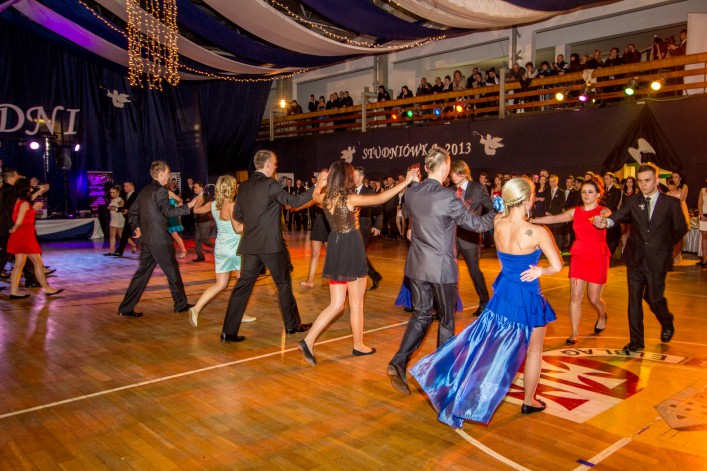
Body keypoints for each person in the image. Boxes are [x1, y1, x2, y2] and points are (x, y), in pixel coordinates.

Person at [409, 177, 562, 427]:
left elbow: (495, 220)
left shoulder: (498, 222)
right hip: (527, 297)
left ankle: (460, 385)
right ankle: (529, 400)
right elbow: (557, 266)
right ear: (527, 200)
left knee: (488, 346)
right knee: (534, 350)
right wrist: (540, 271)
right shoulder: (537, 232)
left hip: (503, 293)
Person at [385, 147, 496, 396]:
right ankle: (441, 377)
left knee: (421, 316)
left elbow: (414, 220)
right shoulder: (448, 197)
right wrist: (497, 211)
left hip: (417, 266)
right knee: (446, 320)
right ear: (446, 169)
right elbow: (477, 224)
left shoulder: (412, 193)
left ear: (426, 168)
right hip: (442, 268)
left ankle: (399, 362)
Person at [297, 163, 419, 365]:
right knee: (356, 303)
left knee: (336, 304)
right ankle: (358, 345)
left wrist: (319, 182)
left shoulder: (325, 198)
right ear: (346, 177)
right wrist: (406, 181)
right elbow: (380, 198)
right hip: (352, 248)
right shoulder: (350, 199)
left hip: (336, 247)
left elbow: (315, 194)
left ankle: (309, 341)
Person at [220, 150, 326, 343]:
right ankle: (292, 325)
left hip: (250, 245)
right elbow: (294, 202)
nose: (276, 167)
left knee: (242, 287)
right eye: (275, 163)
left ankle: (228, 331)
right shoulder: (270, 184)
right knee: (283, 284)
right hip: (270, 245)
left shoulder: (244, 187)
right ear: (268, 165)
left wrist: (254, 223)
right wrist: (317, 185)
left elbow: (238, 215)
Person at [593, 163, 688, 353]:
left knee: (654, 298)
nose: (643, 185)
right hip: (635, 257)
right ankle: (636, 341)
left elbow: (681, 228)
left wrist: (664, 245)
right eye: (640, 181)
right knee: (634, 300)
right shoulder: (633, 201)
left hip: (658, 259)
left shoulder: (671, 203)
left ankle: (667, 320)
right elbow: (619, 215)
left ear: (657, 180)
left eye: (647, 180)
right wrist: (605, 222)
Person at [532, 177, 610, 344]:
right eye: (584, 192)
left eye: (590, 192)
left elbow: (607, 216)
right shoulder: (576, 212)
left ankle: (602, 315)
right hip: (579, 256)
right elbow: (554, 219)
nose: (586, 195)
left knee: (594, 298)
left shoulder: (603, 211)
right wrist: (532, 220)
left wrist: (603, 220)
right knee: (575, 296)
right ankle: (574, 332)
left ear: (598, 194)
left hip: (598, 257)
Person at [117, 161, 198, 317]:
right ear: (161, 174)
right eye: (167, 174)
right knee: (173, 273)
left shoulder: (144, 190)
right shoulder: (160, 190)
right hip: (160, 240)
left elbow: (132, 212)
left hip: (147, 240)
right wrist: (189, 206)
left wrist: (136, 227)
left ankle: (125, 308)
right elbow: (168, 211)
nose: (168, 177)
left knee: (141, 275)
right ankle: (181, 305)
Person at [188, 175, 255, 326]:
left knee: (220, 284)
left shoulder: (212, 205)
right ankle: (239, 314)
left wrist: (198, 198)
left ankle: (196, 308)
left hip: (220, 249)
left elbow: (196, 210)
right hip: (235, 249)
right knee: (242, 283)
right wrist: (253, 221)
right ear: (232, 189)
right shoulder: (232, 206)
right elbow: (238, 229)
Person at [5, 178, 63, 299]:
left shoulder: (19, 201)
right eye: (30, 187)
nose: (31, 189)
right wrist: (34, 209)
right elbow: (20, 220)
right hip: (25, 236)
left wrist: (40, 191)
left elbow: (28, 203)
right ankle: (46, 288)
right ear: (26, 189)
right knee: (38, 263)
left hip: (21, 236)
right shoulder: (25, 204)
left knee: (19, 265)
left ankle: (14, 291)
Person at [449, 160, 494, 316]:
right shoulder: (449, 189)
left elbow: (491, 208)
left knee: (474, 271)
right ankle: (449, 305)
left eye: (456, 173)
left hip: (470, 238)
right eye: (452, 173)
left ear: (464, 173)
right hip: (451, 237)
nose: (453, 176)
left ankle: (485, 303)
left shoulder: (477, 188)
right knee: (449, 271)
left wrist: (482, 224)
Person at [353, 166, 383, 290]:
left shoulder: (369, 192)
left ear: (361, 177)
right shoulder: (349, 191)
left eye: (354, 175)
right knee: (359, 254)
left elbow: (379, 209)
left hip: (364, 227)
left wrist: (377, 226)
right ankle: (374, 275)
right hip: (351, 228)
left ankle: (356, 282)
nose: (352, 178)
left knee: (357, 253)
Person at [299, 202, 329, 288]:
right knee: (315, 254)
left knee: (330, 254)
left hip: (330, 222)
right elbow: (313, 202)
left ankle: (333, 279)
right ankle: (310, 280)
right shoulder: (319, 195)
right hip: (319, 221)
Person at [109, 181, 138, 257]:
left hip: (134, 219)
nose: (124, 188)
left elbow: (135, 207)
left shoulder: (136, 195)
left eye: (126, 186)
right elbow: (125, 207)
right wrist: (117, 209)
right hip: (127, 218)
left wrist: (127, 210)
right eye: (124, 186)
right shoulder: (126, 195)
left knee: (133, 235)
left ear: (131, 186)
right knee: (124, 235)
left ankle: (144, 251)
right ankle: (119, 251)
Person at [191, 181, 215, 262]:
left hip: (205, 221)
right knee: (197, 239)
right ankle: (200, 256)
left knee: (204, 239)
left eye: (196, 187)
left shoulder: (207, 197)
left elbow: (208, 209)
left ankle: (217, 247)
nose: (194, 189)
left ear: (201, 188)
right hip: (198, 221)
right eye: (194, 187)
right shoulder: (196, 197)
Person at [105, 185, 126, 256]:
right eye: (111, 192)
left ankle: (133, 245)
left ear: (118, 193)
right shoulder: (112, 200)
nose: (111, 194)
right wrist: (109, 207)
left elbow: (122, 208)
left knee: (121, 236)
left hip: (119, 219)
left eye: (113, 192)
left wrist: (114, 208)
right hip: (113, 219)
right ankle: (111, 251)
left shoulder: (120, 200)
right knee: (112, 235)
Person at [167, 190, 188, 258]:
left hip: (170, 216)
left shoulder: (169, 192)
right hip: (162, 216)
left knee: (175, 235)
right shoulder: (158, 193)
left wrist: (180, 204)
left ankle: (184, 250)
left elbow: (180, 200)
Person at [697, 177, 707, 267]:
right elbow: (699, 204)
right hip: (704, 216)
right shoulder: (703, 190)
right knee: (704, 237)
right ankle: (704, 259)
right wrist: (701, 215)